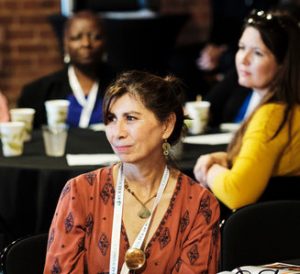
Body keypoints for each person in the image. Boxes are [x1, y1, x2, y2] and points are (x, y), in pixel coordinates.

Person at [43, 71, 220, 273]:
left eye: (130, 118)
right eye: (111, 119)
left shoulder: (199, 204)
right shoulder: (80, 192)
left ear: (167, 125)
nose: (117, 133)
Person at [193, 9, 300, 210]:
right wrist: (226, 158)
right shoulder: (287, 107)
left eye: (257, 53)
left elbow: (237, 193)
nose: (243, 59)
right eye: (242, 48)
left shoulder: (273, 114)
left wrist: (209, 170)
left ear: (283, 64)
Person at [18, 10, 115, 129]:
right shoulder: (37, 93)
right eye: (76, 37)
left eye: (95, 36)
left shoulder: (124, 87)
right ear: (65, 44)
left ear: (105, 42)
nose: (86, 43)